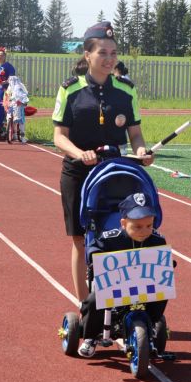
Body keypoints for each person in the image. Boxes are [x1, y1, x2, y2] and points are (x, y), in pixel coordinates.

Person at [53, 21, 154, 302]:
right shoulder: (70, 90)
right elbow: (59, 136)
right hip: (78, 172)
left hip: (114, 172)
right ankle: (87, 307)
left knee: (122, 232)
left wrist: (143, 151)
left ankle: (123, 301)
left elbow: (135, 133)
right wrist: (78, 153)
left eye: (114, 53)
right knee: (81, 239)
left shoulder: (126, 90)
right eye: (103, 53)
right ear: (88, 55)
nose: (110, 59)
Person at [78, 192, 168, 357]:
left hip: (144, 286)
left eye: (149, 225)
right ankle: (90, 337)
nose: (144, 231)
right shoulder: (110, 238)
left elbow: (162, 260)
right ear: (123, 223)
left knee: (162, 290)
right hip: (114, 285)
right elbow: (94, 248)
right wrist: (95, 256)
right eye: (138, 226)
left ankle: (153, 322)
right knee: (94, 300)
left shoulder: (157, 240)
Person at [0, 47, 16, 135]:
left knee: (4, 107)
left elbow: (12, 78)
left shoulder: (8, 66)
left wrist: (5, 82)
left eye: (1, 55)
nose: (0, 57)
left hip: (6, 89)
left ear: (5, 56)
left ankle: (5, 127)